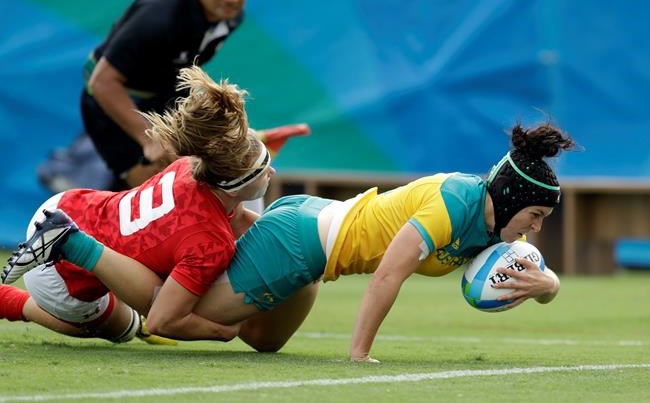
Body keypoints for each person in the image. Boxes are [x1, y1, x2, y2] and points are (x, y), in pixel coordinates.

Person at [3, 121, 572, 359]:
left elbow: (497, 284)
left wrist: (547, 285)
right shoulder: (456, 201)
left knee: (261, 344)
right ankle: (51, 263)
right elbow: (387, 276)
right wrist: (359, 355)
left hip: (310, 249)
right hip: (301, 240)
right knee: (163, 317)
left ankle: (243, 193)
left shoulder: (491, 226)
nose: (537, 228)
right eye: (538, 215)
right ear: (516, 200)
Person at [0, 65, 275, 344]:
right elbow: (163, 320)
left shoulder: (189, 166)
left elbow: (239, 217)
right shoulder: (212, 244)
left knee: (153, 274)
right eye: (264, 169)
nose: (272, 173)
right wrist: (223, 331)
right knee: (121, 328)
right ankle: (8, 297)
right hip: (60, 270)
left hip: (69, 205)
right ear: (234, 183)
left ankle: (72, 245)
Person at [82, 0, 252, 189]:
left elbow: (184, 63)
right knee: (148, 191)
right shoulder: (158, 17)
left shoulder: (230, 16)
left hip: (163, 90)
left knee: (197, 172)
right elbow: (102, 82)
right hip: (115, 97)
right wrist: (149, 138)